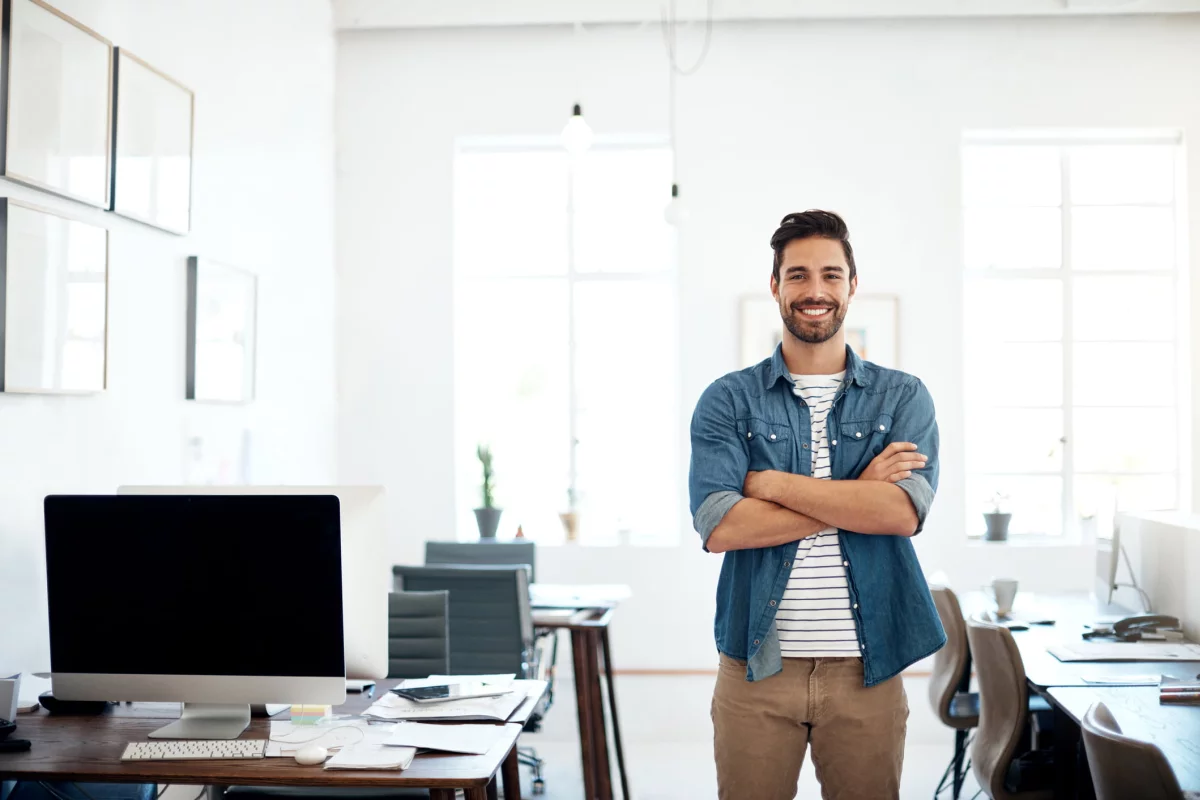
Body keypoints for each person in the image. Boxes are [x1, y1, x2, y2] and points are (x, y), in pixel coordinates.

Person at [688, 210, 945, 799]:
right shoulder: (729, 400)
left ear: (852, 286)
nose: (815, 290)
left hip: (868, 668)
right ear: (775, 285)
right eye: (798, 274)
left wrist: (771, 484)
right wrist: (860, 489)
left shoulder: (903, 397)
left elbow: (900, 514)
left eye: (830, 274)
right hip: (756, 669)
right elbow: (722, 526)